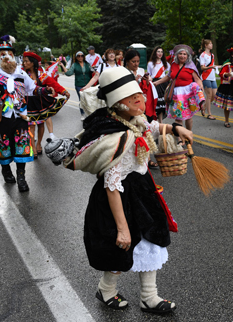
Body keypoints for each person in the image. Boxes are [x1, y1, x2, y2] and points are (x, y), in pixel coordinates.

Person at [55, 67, 193, 314]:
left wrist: (175, 128)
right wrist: (121, 227)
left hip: (141, 190)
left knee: (152, 240)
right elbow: (112, 184)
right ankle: (106, 289)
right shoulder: (115, 136)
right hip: (118, 196)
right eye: (134, 98)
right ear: (119, 104)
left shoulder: (134, 120)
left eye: (140, 95)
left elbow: (149, 127)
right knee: (122, 244)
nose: (141, 100)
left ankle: (149, 297)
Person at [0, 35, 54, 192]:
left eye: (10, 54)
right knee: (3, 146)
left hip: (20, 116)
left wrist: (45, 90)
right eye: (3, 55)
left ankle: (21, 178)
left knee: (22, 146)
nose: (7, 57)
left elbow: (32, 88)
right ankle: (6, 170)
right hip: (1, 118)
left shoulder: (20, 72)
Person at [22, 52, 70, 158]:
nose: (24, 63)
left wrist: (64, 91)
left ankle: (39, 143)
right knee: (31, 126)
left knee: (40, 124)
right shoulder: (22, 75)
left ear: (33, 63)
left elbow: (53, 83)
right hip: (28, 103)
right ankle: (33, 147)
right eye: (23, 61)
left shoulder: (41, 75)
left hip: (40, 103)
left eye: (26, 61)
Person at [153, 44, 205, 132]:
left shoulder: (190, 66)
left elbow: (197, 79)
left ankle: (188, 134)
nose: (182, 56)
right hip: (176, 94)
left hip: (187, 94)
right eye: (180, 53)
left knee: (188, 117)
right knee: (178, 117)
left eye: (184, 54)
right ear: (177, 55)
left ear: (188, 56)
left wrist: (200, 87)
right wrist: (156, 83)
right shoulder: (173, 64)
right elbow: (169, 76)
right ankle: (180, 139)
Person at [61, 51, 92, 120]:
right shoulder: (74, 65)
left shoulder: (87, 64)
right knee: (82, 100)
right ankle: (83, 114)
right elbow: (69, 73)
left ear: (84, 57)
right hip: (79, 85)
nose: (80, 57)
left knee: (89, 99)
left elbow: (92, 71)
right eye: (78, 56)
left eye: (82, 56)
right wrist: (62, 65)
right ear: (76, 57)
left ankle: (90, 113)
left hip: (88, 84)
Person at [147, 46, 170, 123]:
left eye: (161, 52)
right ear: (155, 53)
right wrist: (149, 78)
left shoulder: (166, 64)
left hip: (163, 83)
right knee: (156, 103)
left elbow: (169, 74)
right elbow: (149, 74)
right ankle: (155, 121)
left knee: (162, 103)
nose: (160, 53)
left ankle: (160, 121)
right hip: (155, 83)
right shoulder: (150, 64)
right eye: (158, 51)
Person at [199, 39, 220, 120]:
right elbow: (202, 67)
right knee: (209, 95)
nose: (212, 45)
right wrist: (211, 67)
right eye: (210, 43)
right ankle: (209, 114)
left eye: (211, 43)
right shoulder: (202, 55)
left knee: (214, 96)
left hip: (212, 77)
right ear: (206, 45)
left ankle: (204, 107)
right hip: (206, 77)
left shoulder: (212, 55)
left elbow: (214, 65)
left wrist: (219, 68)